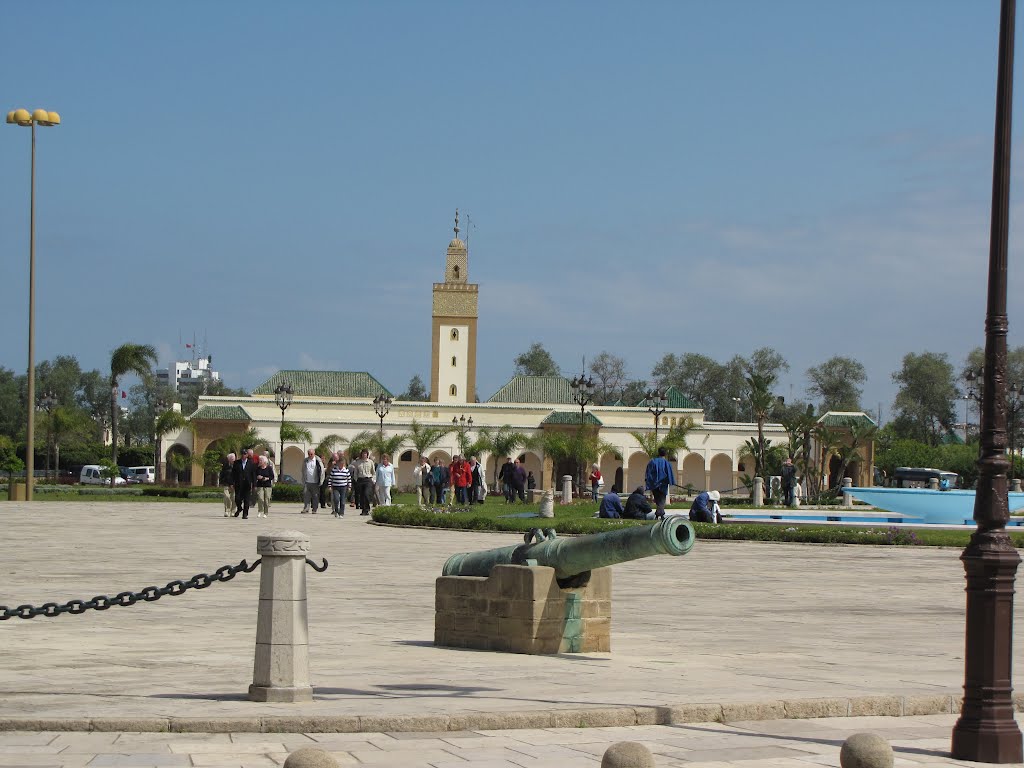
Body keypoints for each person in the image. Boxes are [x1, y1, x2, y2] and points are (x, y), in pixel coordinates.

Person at [645, 447, 676, 519]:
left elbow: (648, 473)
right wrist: (671, 482)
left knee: (658, 500)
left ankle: (659, 514)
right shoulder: (666, 463)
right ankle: (660, 514)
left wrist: (649, 482)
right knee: (662, 500)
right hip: (663, 485)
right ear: (665, 454)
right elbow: (669, 473)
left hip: (655, 485)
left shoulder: (652, 461)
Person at [231, 449, 256, 519]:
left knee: (246, 500)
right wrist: (232, 483)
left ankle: (245, 514)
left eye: (245, 454)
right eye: (242, 454)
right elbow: (233, 474)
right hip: (239, 484)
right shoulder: (236, 463)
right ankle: (239, 508)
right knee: (237, 499)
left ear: (247, 455)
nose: (243, 455)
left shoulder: (251, 463)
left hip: (247, 484)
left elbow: (253, 474)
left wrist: (254, 485)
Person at [301, 448, 326, 514]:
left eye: (311, 454)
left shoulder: (318, 461)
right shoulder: (305, 461)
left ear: (314, 454)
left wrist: (321, 480)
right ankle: (306, 508)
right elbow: (303, 470)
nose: (310, 455)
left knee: (315, 496)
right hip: (307, 481)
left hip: (315, 482)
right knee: (306, 496)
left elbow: (322, 471)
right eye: (309, 454)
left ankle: (314, 509)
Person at [351, 449, 375, 516]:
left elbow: (373, 472)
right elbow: (356, 472)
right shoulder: (358, 462)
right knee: (362, 496)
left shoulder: (370, 462)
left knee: (366, 494)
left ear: (367, 455)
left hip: (368, 480)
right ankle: (364, 510)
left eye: (365, 453)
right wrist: (356, 480)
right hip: (360, 480)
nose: (364, 455)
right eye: (363, 453)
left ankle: (367, 508)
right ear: (361, 454)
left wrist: (373, 480)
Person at [220, 453, 236, 518]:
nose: (232, 460)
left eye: (233, 458)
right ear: (228, 459)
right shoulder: (225, 466)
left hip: (234, 485)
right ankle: (227, 510)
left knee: (234, 498)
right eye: (231, 459)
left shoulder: (237, 466)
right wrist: (221, 482)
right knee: (227, 497)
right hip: (226, 483)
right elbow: (222, 474)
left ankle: (233, 511)